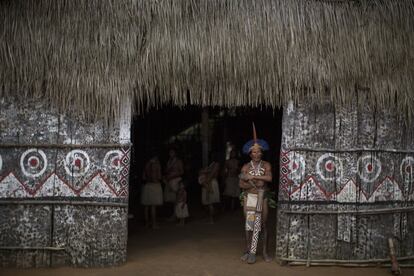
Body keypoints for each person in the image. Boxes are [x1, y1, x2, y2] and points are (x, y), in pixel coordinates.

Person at [239, 124, 272, 264]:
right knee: (250, 224)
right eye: (254, 152)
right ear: (250, 154)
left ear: (262, 153)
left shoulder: (266, 165)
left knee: (263, 224)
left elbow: (269, 178)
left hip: (262, 197)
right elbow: (241, 184)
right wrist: (249, 183)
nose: (257, 154)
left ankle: (264, 251)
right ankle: (249, 249)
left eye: (259, 152)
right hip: (249, 198)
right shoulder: (245, 167)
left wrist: (255, 178)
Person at [141, 152, 163, 229]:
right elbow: (159, 176)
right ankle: (154, 224)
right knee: (153, 206)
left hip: (147, 185)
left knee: (146, 206)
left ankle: (147, 224)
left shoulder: (147, 164)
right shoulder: (157, 164)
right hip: (155, 185)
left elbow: (143, 177)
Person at [198, 153, 221, 224]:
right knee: (207, 202)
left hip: (212, 182)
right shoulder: (211, 164)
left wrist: (207, 183)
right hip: (207, 181)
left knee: (210, 202)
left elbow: (213, 174)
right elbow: (202, 172)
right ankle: (210, 217)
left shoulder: (216, 164)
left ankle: (211, 219)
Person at [163, 147, 184, 220]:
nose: (170, 153)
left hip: (176, 180)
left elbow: (181, 172)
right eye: (170, 152)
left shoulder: (178, 161)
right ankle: (174, 214)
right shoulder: (169, 161)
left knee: (177, 198)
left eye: (172, 152)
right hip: (169, 181)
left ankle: (178, 214)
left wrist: (173, 175)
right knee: (172, 199)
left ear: (175, 153)